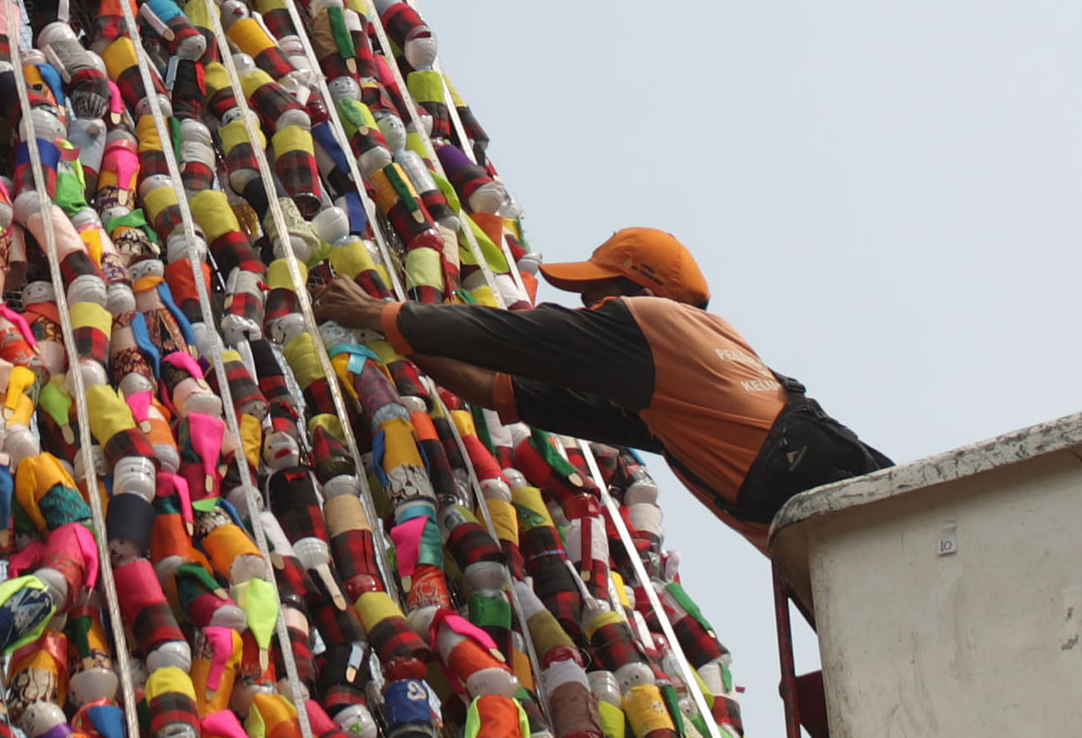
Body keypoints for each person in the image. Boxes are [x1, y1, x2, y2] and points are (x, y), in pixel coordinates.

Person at [312, 225, 886, 546]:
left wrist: (380, 313)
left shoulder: (648, 324)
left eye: (595, 293)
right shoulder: (678, 389)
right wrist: (404, 340)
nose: (589, 308)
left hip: (822, 507)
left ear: (638, 288)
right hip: (830, 512)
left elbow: (507, 335)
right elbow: (501, 390)